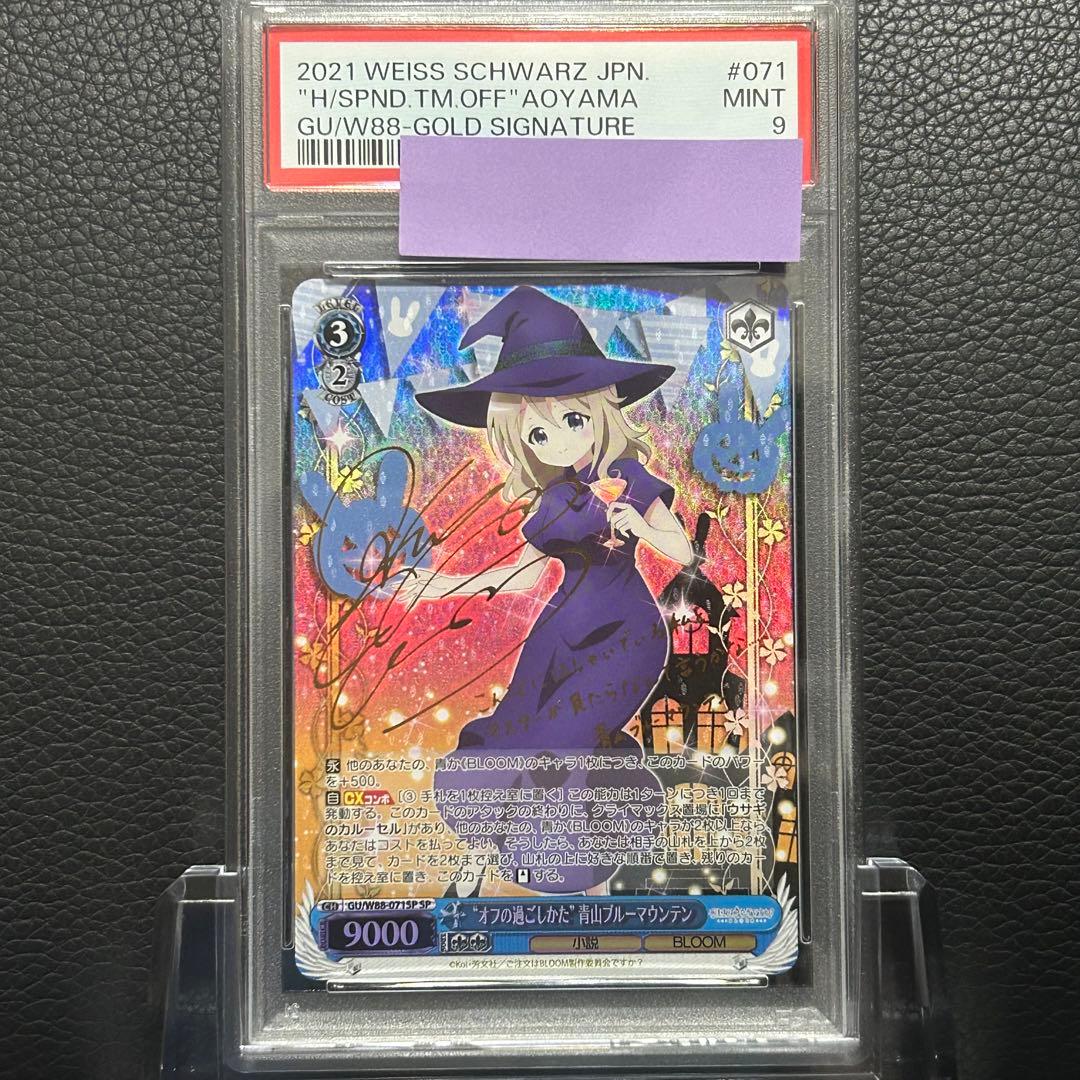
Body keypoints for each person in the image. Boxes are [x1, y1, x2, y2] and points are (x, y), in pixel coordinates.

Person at [404, 287, 693, 895]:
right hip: (557, 634)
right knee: (516, 731)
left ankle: (587, 875)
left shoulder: (629, 478)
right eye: (536, 434)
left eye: (572, 420)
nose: (558, 440)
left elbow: (684, 551)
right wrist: (436, 585)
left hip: (625, 637)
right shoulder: (555, 498)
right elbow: (522, 575)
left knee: (564, 744)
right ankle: (485, 854)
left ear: (602, 410)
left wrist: (642, 526)